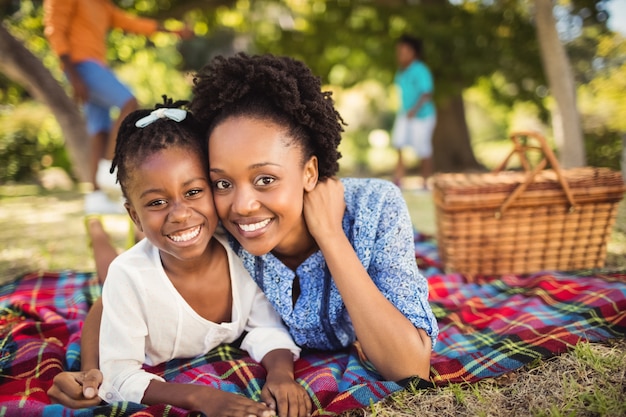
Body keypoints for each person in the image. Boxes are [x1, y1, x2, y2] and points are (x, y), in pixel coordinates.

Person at [48, 53, 439, 409]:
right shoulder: (220, 229)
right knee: (120, 261)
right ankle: (98, 233)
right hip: (142, 256)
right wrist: (90, 371)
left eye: (265, 178)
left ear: (309, 172)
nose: (242, 205)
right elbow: (118, 292)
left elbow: (410, 368)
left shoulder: (374, 208)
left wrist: (331, 236)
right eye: (221, 182)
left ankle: (98, 231)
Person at [91, 101, 310, 417]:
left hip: (158, 244)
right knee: (107, 272)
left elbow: (265, 328)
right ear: (133, 215)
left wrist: (280, 375)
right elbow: (118, 375)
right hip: (136, 262)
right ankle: (97, 230)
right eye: (157, 202)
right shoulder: (129, 276)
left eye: (193, 192)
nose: (180, 214)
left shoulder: (240, 252)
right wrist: (201, 398)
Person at [43, 0, 193, 214]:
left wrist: (173, 31)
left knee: (100, 129)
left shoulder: (102, 5)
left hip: (94, 64)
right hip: (80, 65)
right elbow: (55, 29)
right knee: (129, 102)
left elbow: (132, 23)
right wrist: (73, 74)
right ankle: (109, 170)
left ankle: (95, 197)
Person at [390, 34, 437, 190]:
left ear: (413, 52)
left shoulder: (420, 70)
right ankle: (398, 180)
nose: (400, 55)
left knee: (423, 149)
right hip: (405, 114)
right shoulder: (401, 72)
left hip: (422, 116)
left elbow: (426, 93)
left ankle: (425, 183)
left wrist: (415, 110)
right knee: (398, 143)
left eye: (404, 51)